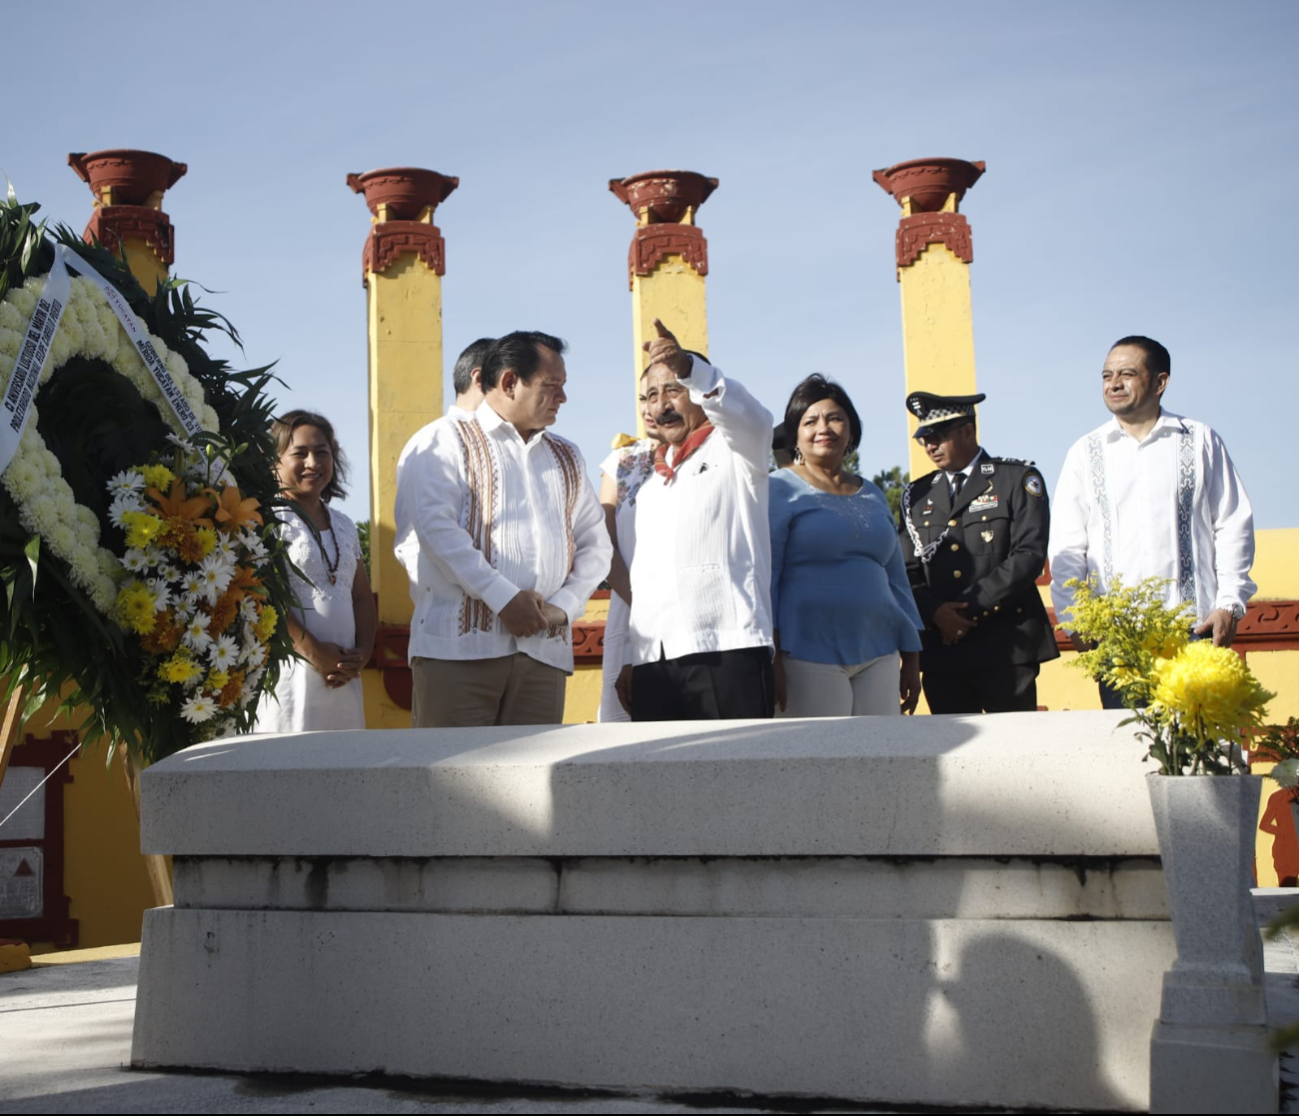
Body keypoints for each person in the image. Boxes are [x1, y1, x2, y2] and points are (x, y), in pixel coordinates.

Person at [394, 330, 611, 728]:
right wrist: (504, 599)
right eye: (552, 386)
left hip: (543, 653)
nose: (563, 398)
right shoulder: (442, 440)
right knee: (454, 782)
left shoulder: (566, 454)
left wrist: (561, 608)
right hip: (459, 650)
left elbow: (597, 545)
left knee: (534, 784)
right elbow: (436, 531)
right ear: (510, 382)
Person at [1049, 336, 1255, 705]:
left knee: (1196, 752)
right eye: (1106, 375)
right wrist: (1073, 618)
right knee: (1131, 752)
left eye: (1127, 373)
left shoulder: (1200, 440)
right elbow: (1067, 545)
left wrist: (1229, 603)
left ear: (1160, 382)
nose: (1114, 384)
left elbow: (1232, 523)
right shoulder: (1085, 452)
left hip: (1195, 630)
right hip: (1117, 638)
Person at [618, 320, 775, 721]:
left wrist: (688, 366)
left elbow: (754, 418)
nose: (661, 405)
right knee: (663, 783)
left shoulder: (737, 450)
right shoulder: (650, 485)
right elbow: (643, 582)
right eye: (651, 395)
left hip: (727, 647)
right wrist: (631, 656)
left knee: (737, 775)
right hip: (657, 657)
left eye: (673, 389)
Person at [769, 375, 923, 717]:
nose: (824, 428)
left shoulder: (873, 493)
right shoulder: (778, 489)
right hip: (807, 652)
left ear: (851, 429)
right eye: (810, 421)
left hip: (880, 649)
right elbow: (768, 579)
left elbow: (897, 578)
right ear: (796, 433)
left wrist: (911, 657)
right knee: (821, 763)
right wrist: (772, 658)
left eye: (835, 418)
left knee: (881, 759)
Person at [900, 391, 1058, 714]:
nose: (930, 445)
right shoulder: (917, 495)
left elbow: (1028, 554)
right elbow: (905, 569)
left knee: (1014, 754)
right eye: (924, 438)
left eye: (939, 436)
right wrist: (936, 613)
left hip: (1006, 647)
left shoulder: (1016, 480)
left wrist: (966, 611)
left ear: (968, 431)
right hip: (943, 653)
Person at [254, 411, 376, 732]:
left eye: (322, 452)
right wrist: (311, 650)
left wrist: (362, 654)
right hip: (289, 676)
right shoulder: (263, 520)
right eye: (299, 453)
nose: (313, 462)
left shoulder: (345, 525)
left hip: (343, 678)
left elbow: (361, 598)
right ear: (273, 462)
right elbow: (262, 597)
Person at [394, 338, 493, 588]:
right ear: (479, 379)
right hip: (452, 606)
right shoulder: (434, 441)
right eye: (509, 381)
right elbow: (414, 539)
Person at [596, 395, 663, 723]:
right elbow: (602, 544)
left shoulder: (713, 457)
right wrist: (641, 605)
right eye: (645, 397)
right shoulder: (623, 460)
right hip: (629, 609)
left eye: (669, 392)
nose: (653, 406)